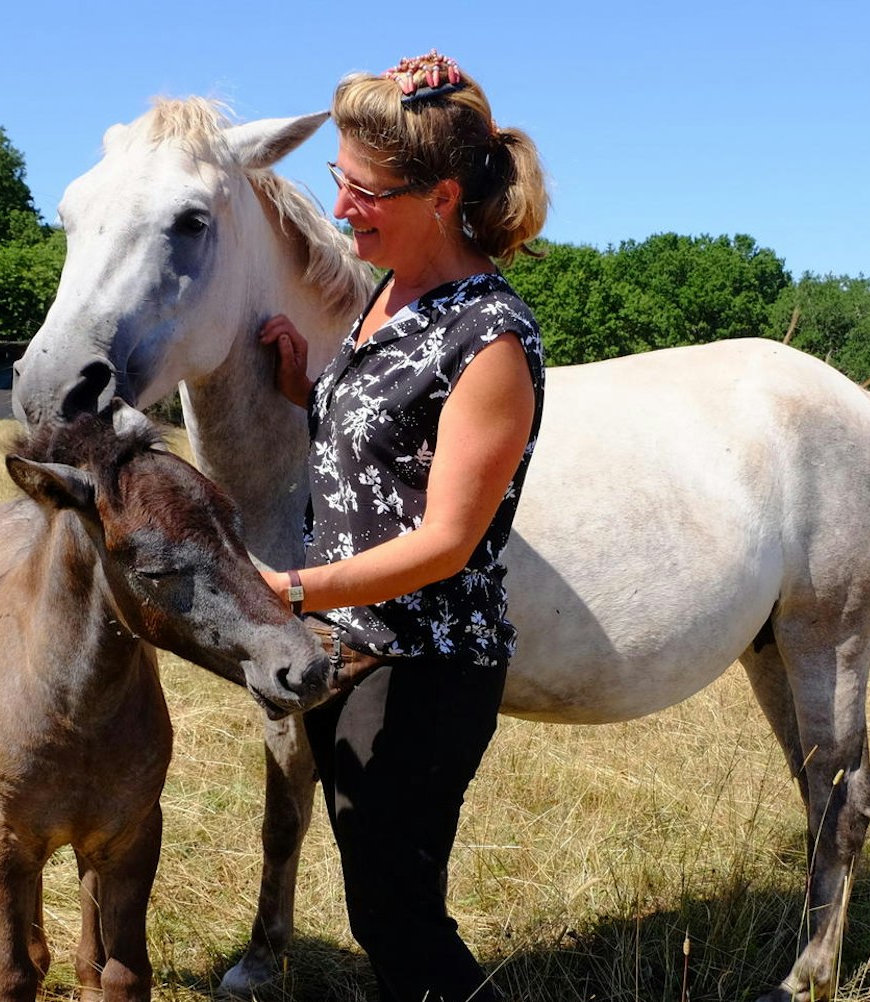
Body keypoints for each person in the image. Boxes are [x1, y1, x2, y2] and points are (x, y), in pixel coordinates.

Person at [255, 49, 548, 1002]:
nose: (342, 210)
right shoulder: (386, 298)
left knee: (399, 915)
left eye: (366, 193)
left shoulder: (491, 338)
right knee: (382, 901)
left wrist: (289, 591)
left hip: (426, 664)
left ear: (442, 195)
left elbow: (447, 542)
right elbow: (388, 443)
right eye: (338, 181)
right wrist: (311, 383)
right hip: (353, 649)